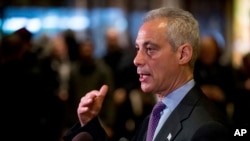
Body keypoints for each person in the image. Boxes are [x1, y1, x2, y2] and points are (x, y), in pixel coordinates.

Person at [63, 7, 231, 141]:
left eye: (150, 49)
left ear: (182, 54)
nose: (137, 60)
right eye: (138, 49)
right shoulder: (158, 112)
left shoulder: (208, 129)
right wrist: (90, 123)